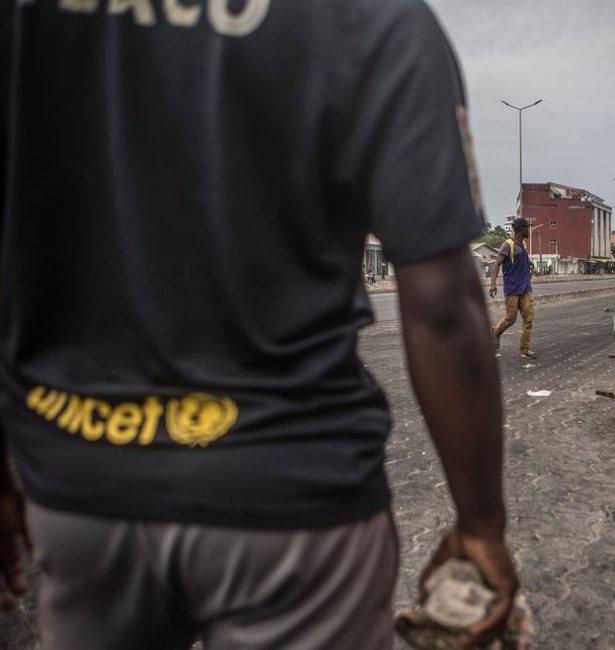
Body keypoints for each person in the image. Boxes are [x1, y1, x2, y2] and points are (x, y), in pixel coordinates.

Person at [0, 1, 517, 648]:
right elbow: (441, 302)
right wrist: (479, 523)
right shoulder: (374, 16)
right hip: (293, 496)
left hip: (80, 485)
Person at [489, 217, 536, 359]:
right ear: (520, 229)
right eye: (526, 227)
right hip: (512, 289)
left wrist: (529, 264)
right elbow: (497, 264)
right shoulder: (507, 245)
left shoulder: (523, 245)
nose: (528, 230)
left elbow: (523, 260)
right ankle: (496, 332)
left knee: (528, 318)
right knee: (511, 319)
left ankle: (524, 349)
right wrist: (492, 284)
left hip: (525, 288)